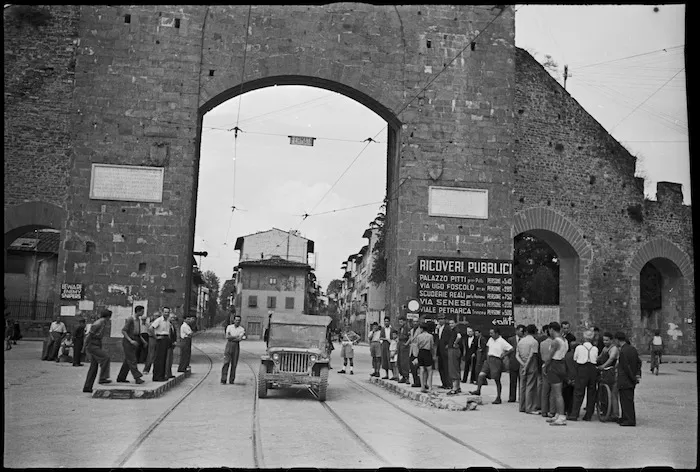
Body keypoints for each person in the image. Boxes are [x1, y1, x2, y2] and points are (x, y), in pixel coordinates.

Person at [469, 327, 513, 404]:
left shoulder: (502, 341)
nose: (490, 334)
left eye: (492, 333)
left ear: (497, 333)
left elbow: (511, 349)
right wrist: (486, 357)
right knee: (481, 375)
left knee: (497, 379)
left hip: (496, 360)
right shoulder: (490, 339)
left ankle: (498, 397)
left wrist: (504, 354)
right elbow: (488, 347)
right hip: (489, 359)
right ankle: (478, 390)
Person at [569, 329, 599, 421]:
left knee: (578, 392)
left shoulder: (579, 348)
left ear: (584, 337)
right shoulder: (595, 349)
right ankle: (588, 415)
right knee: (591, 392)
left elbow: (575, 359)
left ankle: (574, 414)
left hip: (582, 368)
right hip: (593, 369)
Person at [544, 321, 569, 426]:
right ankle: (558, 414)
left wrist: (545, 366)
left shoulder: (555, 342)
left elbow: (549, 356)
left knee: (557, 393)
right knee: (556, 392)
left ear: (551, 330)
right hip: (562, 364)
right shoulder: (565, 340)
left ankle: (562, 416)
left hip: (555, 365)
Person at [82, 309, 113, 393]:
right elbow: (89, 335)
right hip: (93, 344)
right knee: (105, 357)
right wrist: (84, 347)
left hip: (97, 343)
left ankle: (87, 387)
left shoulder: (102, 323)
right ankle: (103, 377)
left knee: (93, 367)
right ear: (107, 317)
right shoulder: (98, 323)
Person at [616, 331, 642, 426]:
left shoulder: (623, 351)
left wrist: (632, 378)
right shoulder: (633, 349)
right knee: (628, 400)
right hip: (631, 379)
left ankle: (629, 420)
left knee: (625, 400)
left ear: (617, 340)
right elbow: (639, 362)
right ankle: (625, 417)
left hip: (625, 379)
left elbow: (626, 367)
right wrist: (637, 375)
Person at [116, 305, 146, 384]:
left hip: (135, 339)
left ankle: (121, 377)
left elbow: (138, 333)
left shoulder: (138, 320)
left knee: (128, 360)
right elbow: (124, 331)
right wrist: (130, 340)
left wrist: (143, 341)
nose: (143, 313)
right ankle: (137, 377)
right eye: (142, 311)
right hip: (128, 341)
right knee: (132, 360)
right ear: (138, 311)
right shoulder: (130, 319)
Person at [516, 324, 540, 414]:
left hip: (521, 364)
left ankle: (522, 406)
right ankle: (529, 407)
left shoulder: (521, 341)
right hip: (531, 365)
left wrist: (522, 364)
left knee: (522, 386)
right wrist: (526, 366)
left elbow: (517, 355)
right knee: (530, 386)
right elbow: (531, 355)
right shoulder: (534, 342)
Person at [597, 331, 620, 421]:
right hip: (606, 373)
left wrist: (603, 366)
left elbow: (611, 359)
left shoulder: (613, 349)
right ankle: (606, 410)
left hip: (613, 372)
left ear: (611, 340)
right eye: (604, 340)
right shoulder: (604, 349)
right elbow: (599, 357)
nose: (605, 342)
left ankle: (615, 414)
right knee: (605, 393)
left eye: (607, 340)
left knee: (614, 393)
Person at [221, 314, 246, 384]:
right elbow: (227, 337)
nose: (237, 322)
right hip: (229, 345)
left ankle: (231, 380)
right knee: (226, 362)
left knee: (234, 364)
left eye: (239, 320)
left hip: (236, 347)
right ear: (234, 320)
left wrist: (233, 337)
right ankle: (223, 379)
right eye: (236, 320)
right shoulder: (229, 327)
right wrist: (236, 337)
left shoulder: (241, 329)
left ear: (240, 321)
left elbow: (239, 339)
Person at [150, 307, 172, 382]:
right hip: (160, 339)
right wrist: (155, 337)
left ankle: (162, 375)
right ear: (162, 312)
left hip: (166, 339)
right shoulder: (159, 320)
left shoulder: (168, 322)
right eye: (165, 312)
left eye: (168, 312)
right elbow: (151, 328)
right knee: (159, 358)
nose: (167, 314)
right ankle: (157, 376)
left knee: (164, 358)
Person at [539, 324, 555, 418]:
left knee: (545, 390)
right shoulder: (555, 343)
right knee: (553, 389)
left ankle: (544, 410)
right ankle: (552, 410)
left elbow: (541, 355)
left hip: (544, 364)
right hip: (552, 365)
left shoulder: (542, 343)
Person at [414, 322, 435, 393]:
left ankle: (422, 386)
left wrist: (416, 356)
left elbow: (417, 346)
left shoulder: (419, 336)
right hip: (427, 352)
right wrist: (433, 355)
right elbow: (432, 346)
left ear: (422, 329)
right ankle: (430, 386)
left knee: (422, 369)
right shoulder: (430, 336)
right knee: (430, 370)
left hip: (421, 352)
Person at [507, 324, 526, 402]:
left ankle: (521, 397)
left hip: (521, 363)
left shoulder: (525, 340)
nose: (522, 333)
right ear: (517, 331)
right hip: (513, 362)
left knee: (521, 382)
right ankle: (512, 397)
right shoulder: (511, 340)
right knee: (512, 381)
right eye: (521, 331)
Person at [446, 318, 462, 395]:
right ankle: (458, 387)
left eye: (452, 323)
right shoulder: (452, 330)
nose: (451, 325)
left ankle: (454, 388)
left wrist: (455, 343)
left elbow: (459, 336)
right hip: (453, 350)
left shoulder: (456, 330)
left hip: (453, 350)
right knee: (456, 368)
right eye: (450, 323)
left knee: (453, 368)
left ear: (455, 323)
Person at [435, 314, 451, 389]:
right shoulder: (438, 328)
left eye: (442, 319)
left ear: (445, 320)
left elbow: (451, 337)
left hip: (445, 350)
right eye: (439, 319)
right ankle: (444, 383)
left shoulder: (448, 328)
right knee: (440, 367)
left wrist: (448, 345)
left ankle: (448, 384)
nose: (441, 320)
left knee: (446, 367)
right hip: (440, 350)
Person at [397, 316, 412, 384]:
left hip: (405, 345)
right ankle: (402, 375)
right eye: (399, 322)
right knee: (399, 361)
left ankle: (407, 377)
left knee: (404, 362)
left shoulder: (407, 328)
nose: (400, 323)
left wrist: (406, 344)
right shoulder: (400, 328)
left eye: (402, 322)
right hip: (400, 344)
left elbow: (410, 337)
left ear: (405, 321)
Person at [407, 318, 422, 387]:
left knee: (417, 367)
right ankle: (415, 381)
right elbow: (410, 339)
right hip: (412, 350)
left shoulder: (420, 330)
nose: (415, 323)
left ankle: (420, 382)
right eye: (414, 322)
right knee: (412, 367)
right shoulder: (411, 330)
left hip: (418, 350)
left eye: (416, 322)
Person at [165, 315, 177, 379]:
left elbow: (174, 335)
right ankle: (166, 373)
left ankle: (169, 373)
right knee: (167, 359)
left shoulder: (173, 326)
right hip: (168, 345)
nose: (173, 319)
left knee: (170, 360)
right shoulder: (167, 325)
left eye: (174, 318)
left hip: (171, 345)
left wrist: (175, 341)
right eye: (172, 318)